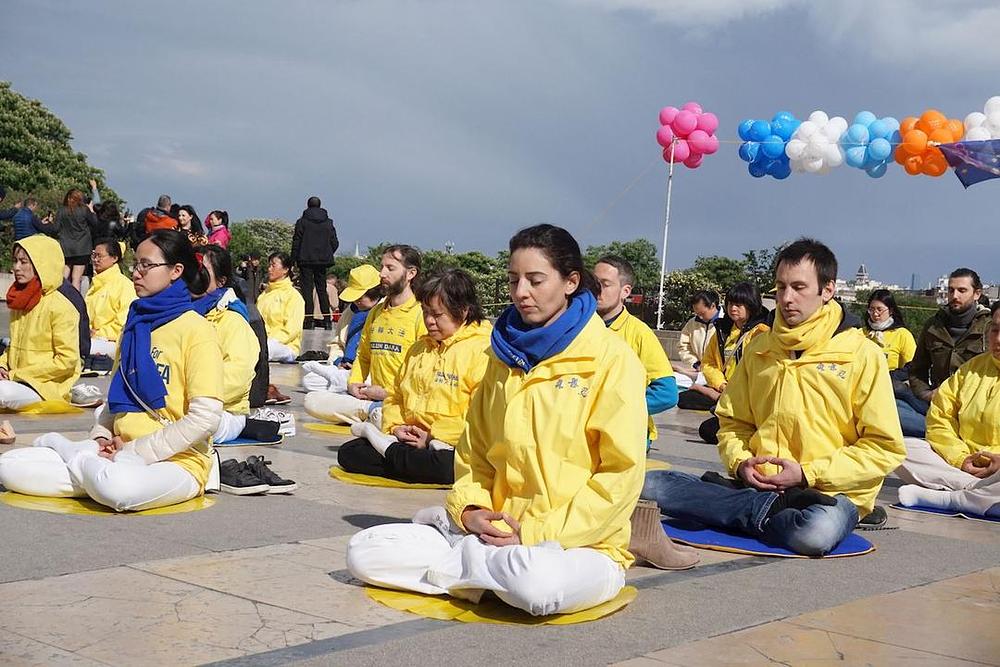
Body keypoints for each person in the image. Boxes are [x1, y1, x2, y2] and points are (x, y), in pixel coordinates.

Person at [346, 224, 694, 618]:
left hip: (577, 545)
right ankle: (482, 568)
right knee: (364, 552)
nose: (521, 292)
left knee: (538, 586)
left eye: (535, 280)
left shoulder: (612, 360)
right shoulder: (501, 356)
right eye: (514, 280)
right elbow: (474, 454)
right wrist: (470, 510)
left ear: (570, 282)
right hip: (493, 532)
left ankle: (472, 567)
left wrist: (532, 533)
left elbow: (620, 475)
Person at [641, 239, 905, 556]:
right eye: (781, 287)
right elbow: (732, 423)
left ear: (828, 290)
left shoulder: (861, 354)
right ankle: (764, 508)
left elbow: (883, 447)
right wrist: (741, 463)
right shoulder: (759, 348)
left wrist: (807, 473)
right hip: (759, 483)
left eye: (799, 287)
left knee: (814, 534)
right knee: (648, 486)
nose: (787, 298)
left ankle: (736, 506)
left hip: (827, 492)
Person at [0, 230, 225, 512]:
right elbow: (115, 400)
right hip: (114, 451)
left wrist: (135, 450)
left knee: (119, 489)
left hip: (177, 460)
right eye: (136, 264)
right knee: (9, 466)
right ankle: (91, 468)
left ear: (175, 271)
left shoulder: (197, 330)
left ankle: (73, 454)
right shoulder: (135, 323)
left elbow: (205, 418)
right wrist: (100, 437)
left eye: (146, 265)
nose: (136, 273)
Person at [338, 268, 492, 484]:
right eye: (425, 313)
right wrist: (396, 427)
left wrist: (432, 436)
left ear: (463, 311)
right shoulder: (419, 348)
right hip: (410, 439)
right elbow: (396, 396)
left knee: (449, 464)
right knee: (350, 452)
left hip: (451, 445)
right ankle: (396, 453)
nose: (429, 321)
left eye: (437, 315)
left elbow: (481, 420)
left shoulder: (483, 351)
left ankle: (390, 452)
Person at [895, 302, 1000, 517]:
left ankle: (952, 498)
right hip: (963, 466)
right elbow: (939, 419)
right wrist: (960, 459)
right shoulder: (971, 369)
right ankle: (979, 493)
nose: (998, 339)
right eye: (995, 330)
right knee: (898, 448)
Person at [304, 245, 426, 425]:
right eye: (382, 267)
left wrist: (388, 394)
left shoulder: (421, 314)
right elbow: (363, 355)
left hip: (405, 400)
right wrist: (354, 383)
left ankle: (378, 413)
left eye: (390, 268)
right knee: (312, 401)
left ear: (411, 273)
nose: (382, 274)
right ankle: (373, 412)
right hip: (371, 396)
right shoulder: (377, 312)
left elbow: (424, 375)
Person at [594, 255, 677, 447]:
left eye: (605, 284)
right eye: (593, 283)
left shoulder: (640, 333)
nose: (596, 290)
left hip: (625, 437)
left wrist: (614, 409)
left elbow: (666, 394)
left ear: (625, 291)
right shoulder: (578, 328)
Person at [190, 245, 269, 444]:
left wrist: (189, 396)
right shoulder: (179, 313)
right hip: (180, 400)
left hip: (221, 410)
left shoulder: (233, 320)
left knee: (179, 425)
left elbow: (237, 377)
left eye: (202, 271)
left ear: (221, 281)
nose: (194, 276)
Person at [897, 268, 990, 438]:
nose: (955, 296)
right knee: (886, 409)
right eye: (951, 290)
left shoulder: (989, 328)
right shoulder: (934, 326)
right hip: (937, 407)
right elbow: (917, 369)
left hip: (976, 411)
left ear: (977, 294)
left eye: (962, 290)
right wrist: (926, 394)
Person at [0, 235, 81, 410]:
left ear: (41, 265)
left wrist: (15, 375)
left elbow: (66, 361)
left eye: (23, 262)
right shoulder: (19, 301)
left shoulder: (61, 307)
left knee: (2, 391)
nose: (16, 267)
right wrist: (2, 365)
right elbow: (12, 347)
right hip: (16, 380)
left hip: (45, 387)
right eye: (15, 261)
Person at [688, 283, 770, 443]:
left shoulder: (763, 331)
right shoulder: (722, 330)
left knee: (711, 430)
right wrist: (721, 385)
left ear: (751, 305)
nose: (733, 308)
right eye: (730, 304)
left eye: (739, 305)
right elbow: (709, 363)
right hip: (727, 391)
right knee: (690, 405)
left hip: (752, 397)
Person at [301, 264, 382, 393]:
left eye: (360, 297)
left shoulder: (386, 312)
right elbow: (337, 343)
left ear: (374, 293)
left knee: (370, 381)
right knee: (310, 380)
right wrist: (338, 361)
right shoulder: (349, 312)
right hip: (345, 368)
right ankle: (347, 384)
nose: (356, 301)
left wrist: (358, 367)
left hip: (371, 371)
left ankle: (348, 384)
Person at [291, 196, 339, 330]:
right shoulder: (328, 222)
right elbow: (334, 242)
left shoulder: (302, 222)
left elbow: (296, 241)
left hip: (305, 259)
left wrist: (293, 260)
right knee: (322, 289)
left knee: (307, 290)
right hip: (322, 260)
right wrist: (327, 252)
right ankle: (327, 320)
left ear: (308, 205)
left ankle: (309, 320)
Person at [86, 239, 137, 359]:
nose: (95, 260)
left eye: (99, 256)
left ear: (114, 258)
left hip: (111, 341)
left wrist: (98, 333)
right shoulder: (96, 283)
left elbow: (123, 323)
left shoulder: (125, 286)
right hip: (91, 338)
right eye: (94, 255)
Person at [257, 251, 306, 362]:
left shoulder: (294, 296)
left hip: (285, 345)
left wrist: (270, 340)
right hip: (263, 340)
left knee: (263, 350)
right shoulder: (264, 295)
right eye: (269, 265)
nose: (269, 269)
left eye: (273, 265)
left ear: (285, 269)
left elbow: (292, 330)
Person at [53, 188, 99, 291]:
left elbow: (55, 229)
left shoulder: (62, 211)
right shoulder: (84, 210)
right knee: (76, 278)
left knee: (63, 277)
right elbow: (95, 224)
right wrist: (91, 211)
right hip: (82, 248)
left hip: (66, 248)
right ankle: (74, 299)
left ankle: (60, 295)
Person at [863, 289, 916, 375]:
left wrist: (891, 377)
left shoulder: (902, 334)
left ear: (890, 311)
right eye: (871, 309)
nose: (875, 314)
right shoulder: (860, 333)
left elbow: (912, 366)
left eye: (879, 310)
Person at [676, 290, 720, 380]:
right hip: (699, 371)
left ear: (713, 306)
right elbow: (683, 346)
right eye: (697, 314)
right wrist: (695, 363)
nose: (700, 317)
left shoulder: (727, 322)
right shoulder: (692, 323)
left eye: (702, 313)